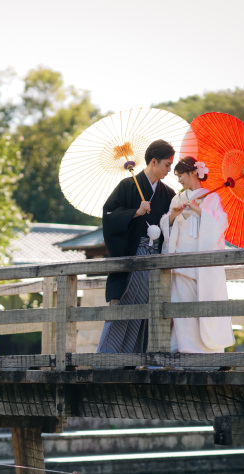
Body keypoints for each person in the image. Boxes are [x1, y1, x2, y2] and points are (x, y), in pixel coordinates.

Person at [98, 140, 177, 353]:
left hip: (156, 258)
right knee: (125, 304)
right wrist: (135, 211)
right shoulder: (127, 186)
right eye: (167, 164)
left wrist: (173, 217)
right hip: (134, 254)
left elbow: (171, 227)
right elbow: (109, 215)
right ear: (153, 161)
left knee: (148, 309)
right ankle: (108, 359)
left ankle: (135, 360)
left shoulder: (169, 194)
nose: (169, 169)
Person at [160, 156, 234, 353]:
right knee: (182, 307)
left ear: (193, 173)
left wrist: (201, 212)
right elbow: (167, 227)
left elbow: (221, 224)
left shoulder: (211, 198)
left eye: (181, 175)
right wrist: (174, 215)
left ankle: (205, 352)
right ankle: (185, 349)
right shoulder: (178, 198)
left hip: (202, 262)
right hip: (180, 260)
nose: (180, 181)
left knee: (202, 304)